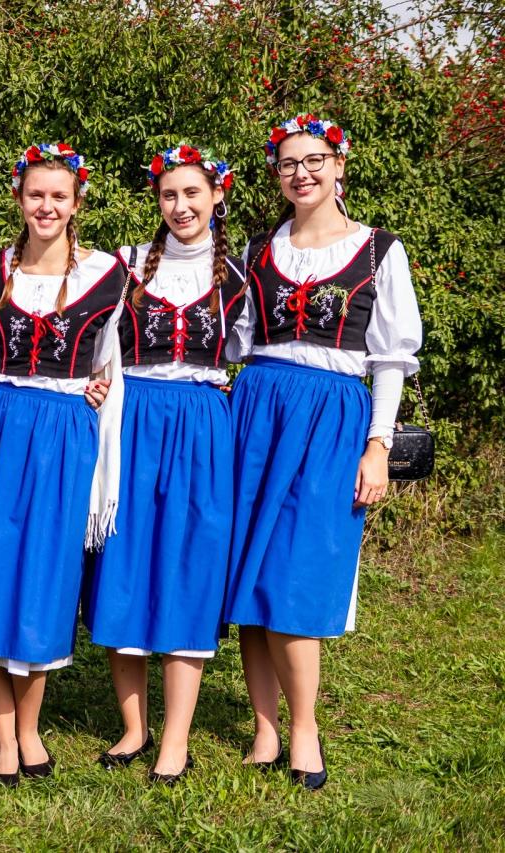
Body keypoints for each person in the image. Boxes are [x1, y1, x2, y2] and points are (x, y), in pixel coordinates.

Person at [224, 114, 422, 789]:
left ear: (339, 165)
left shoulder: (378, 250)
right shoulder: (257, 249)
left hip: (332, 417)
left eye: (314, 160)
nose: (301, 173)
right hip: (257, 409)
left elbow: (390, 359)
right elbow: (233, 340)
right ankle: (264, 727)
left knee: (298, 571)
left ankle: (304, 727)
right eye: (288, 163)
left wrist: (378, 445)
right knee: (249, 569)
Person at [0, 143, 126, 786]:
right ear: (19, 198)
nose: (46, 206)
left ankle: (30, 729)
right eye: (36, 194)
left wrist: (93, 392)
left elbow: (111, 364)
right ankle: (2, 737)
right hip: (5, 427)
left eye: (58, 196)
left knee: (45, 576)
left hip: (67, 431)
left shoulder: (109, 273)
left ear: (76, 202)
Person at [81, 143, 245, 785]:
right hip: (132, 420)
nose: (181, 206)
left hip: (201, 424)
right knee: (122, 564)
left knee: (187, 567)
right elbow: (96, 345)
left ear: (216, 196)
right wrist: (96, 384)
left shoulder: (238, 277)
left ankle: (176, 739)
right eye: (169, 194)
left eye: (192, 193)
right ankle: (134, 727)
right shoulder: (124, 266)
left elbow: (253, 353)